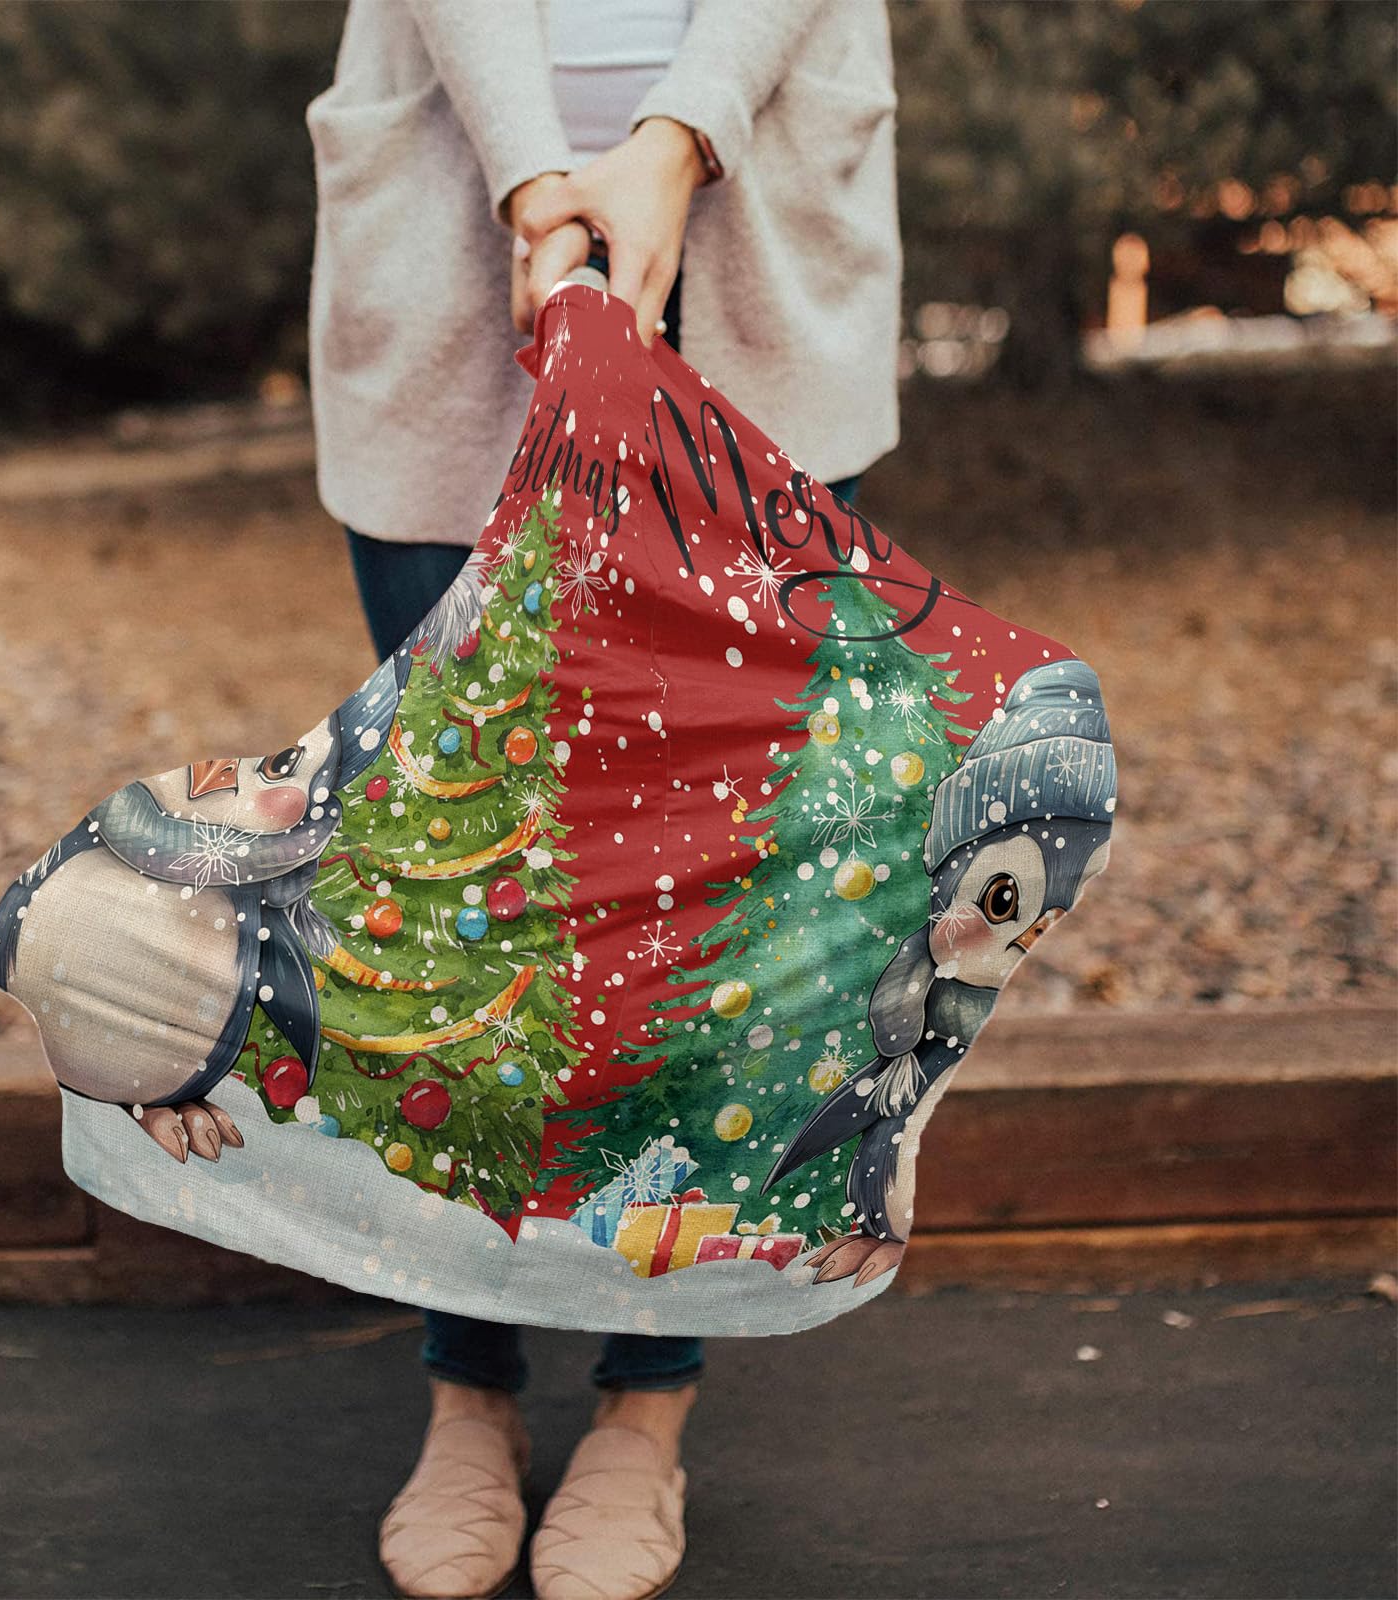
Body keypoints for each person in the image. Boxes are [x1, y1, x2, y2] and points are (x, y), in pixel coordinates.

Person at [305, 3, 900, 1595]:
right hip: (455, 220)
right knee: (464, 873)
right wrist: (531, 179)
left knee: (702, 888)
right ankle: (468, 1388)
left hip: (755, 228)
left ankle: (647, 1404)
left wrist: (676, 135)